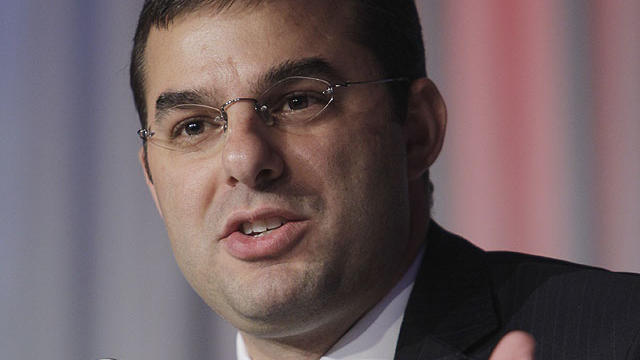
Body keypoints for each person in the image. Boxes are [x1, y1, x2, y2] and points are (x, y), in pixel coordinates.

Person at [130, 1, 640, 359]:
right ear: (153, 181)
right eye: (193, 126)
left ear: (416, 129)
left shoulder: (618, 337)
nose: (244, 158)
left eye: (298, 101)